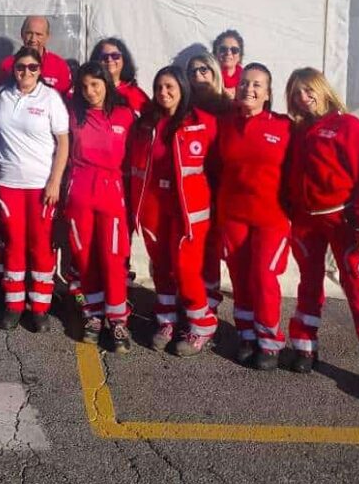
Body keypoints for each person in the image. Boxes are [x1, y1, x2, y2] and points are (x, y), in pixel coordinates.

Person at [285, 68, 359, 374]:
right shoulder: (298, 130)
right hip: (306, 222)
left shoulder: (348, 126)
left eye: (308, 90)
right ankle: (304, 347)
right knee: (308, 283)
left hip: (343, 222)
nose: (303, 97)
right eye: (296, 92)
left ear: (322, 89)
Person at [130, 66, 218, 356]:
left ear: (182, 88)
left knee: (185, 268)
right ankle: (166, 320)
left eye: (170, 87)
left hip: (188, 211)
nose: (163, 93)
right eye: (159, 87)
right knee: (161, 266)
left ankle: (202, 324)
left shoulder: (202, 123)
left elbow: (219, 166)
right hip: (155, 207)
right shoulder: (147, 124)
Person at [216, 63, 292, 370]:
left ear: (268, 93)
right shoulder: (225, 124)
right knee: (240, 276)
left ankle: (270, 341)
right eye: (245, 83)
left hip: (272, 218)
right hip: (234, 216)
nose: (249, 89)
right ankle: (247, 334)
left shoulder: (284, 126)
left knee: (263, 277)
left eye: (257, 85)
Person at [0, 47, 69, 332]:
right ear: (13, 69)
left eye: (32, 67)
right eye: (21, 67)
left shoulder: (50, 97)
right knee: (13, 243)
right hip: (8, 184)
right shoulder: (2, 95)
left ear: (40, 70)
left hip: (41, 185)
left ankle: (40, 307)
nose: (26, 72)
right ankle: (13, 304)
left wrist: (55, 181)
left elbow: (63, 143)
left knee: (40, 245)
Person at [65, 61, 133, 353]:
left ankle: (118, 319)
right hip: (79, 192)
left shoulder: (125, 114)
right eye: (84, 86)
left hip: (111, 193)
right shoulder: (73, 113)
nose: (90, 91)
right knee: (84, 257)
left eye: (95, 84)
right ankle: (93, 313)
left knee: (113, 257)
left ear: (106, 82)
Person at [186, 50, 233, 314]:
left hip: (222, 185)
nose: (198, 75)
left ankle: (210, 302)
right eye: (192, 71)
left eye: (203, 69)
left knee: (213, 247)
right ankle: (192, 297)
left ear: (214, 72)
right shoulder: (185, 106)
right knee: (193, 245)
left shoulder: (230, 107)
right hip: (193, 185)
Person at [0, 16, 72, 96]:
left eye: (38, 34)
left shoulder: (60, 66)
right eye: (29, 33)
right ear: (22, 34)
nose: (33, 39)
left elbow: (67, 99)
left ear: (47, 36)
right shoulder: (7, 64)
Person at [90, 37, 149, 115]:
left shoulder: (136, 94)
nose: (109, 60)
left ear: (124, 60)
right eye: (104, 57)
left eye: (115, 56)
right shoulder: (88, 91)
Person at [213, 29, 244, 98]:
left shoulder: (246, 80)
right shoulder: (208, 79)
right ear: (215, 53)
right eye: (223, 49)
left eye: (234, 50)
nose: (228, 53)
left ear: (240, 56)